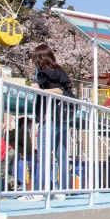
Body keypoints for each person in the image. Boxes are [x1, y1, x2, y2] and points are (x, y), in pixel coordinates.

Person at [33, 44, 73, 194]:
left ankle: (37, 191)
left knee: (43, 155)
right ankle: (62, 190)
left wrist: (39, 89)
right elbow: (63, 89)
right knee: (61, 155)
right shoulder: (59, 71)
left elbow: (59, 91)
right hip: (62, 118)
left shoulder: (42, 73)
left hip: (48, 117)